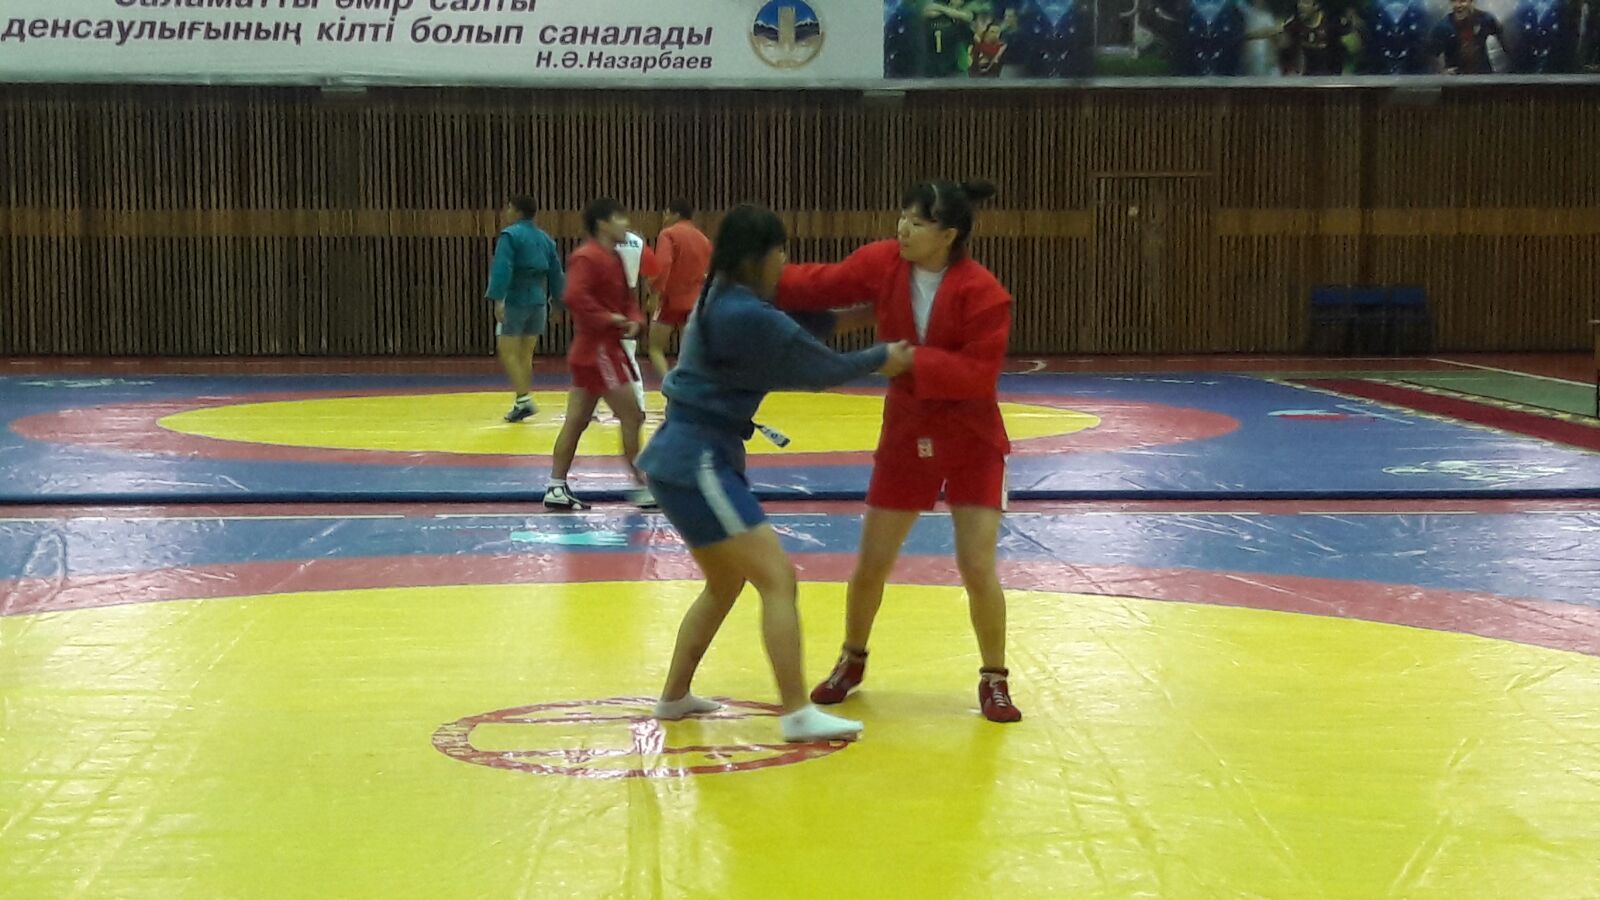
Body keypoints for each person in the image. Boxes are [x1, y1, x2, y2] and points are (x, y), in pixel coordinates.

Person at [640, 204, 913, 743]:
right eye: (781, 252)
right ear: (758, 257)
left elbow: (795, 330)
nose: (785, 262)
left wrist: (863, 314)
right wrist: (883, 356)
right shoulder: (743, 313)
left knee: (725, 582)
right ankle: (796, 713)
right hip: (698, 461)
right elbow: (817, 367)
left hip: (684, 456)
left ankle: (674, 697)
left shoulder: (723, 295)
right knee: (778, 579)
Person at [776, 179, 1023, 724]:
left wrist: (910, 361)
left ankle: (994, 677)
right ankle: (852, 659)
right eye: (903, 217)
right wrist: (755, 277)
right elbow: (823, 283)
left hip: (972, 437)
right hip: (908, 430)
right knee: (871, 562)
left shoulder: (984, 292)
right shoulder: (884, 262)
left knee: (977, 565)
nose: (903, 229)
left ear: (948, 235)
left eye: (918, 222)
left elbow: (979, 374)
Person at [544, 198, 653, 511]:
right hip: (599, 352)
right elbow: (573, 296)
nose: (626, 224)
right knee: (632, 415)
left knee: (577, 421)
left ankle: (556, 486)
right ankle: (641, 485)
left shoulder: (614, 257)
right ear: (603, 223)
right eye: (620, 218)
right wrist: (612, 319)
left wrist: (635, 320)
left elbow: (629, 299)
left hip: (598, 351)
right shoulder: (587, 257)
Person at [484, 196, 564, 423]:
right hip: (538, 301)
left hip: (515, 300)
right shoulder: (545, 239)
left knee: (507, 351)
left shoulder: (510, 236)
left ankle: (523, 399)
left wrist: (498, 299)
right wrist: (557, 303)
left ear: (517, 211)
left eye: (509, 208)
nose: (507, 212)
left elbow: (502, 267)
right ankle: (522, 399)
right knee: (525, 354)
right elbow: (556, 274)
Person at [645, 199, 714, 379]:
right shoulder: (703, 239)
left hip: (670, 300)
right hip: (694, 301)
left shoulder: (668, 234)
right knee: (688, 351)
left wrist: (655, 293)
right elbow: (708, 272)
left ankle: (668, 385)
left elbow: (663, 265)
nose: (664, 217)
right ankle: (688, 386)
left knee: (655, 348)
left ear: (675, 214)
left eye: (666, 213)